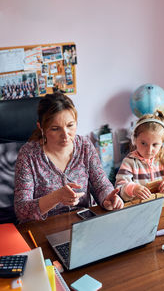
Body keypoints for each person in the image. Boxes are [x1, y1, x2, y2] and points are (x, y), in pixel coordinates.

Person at [14, 91, 124, 222]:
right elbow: (21, 210)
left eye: (70, 125)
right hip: (43, 228)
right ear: (41, 127)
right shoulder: (28, 155)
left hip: (82, 223)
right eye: (55, 128)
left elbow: (101, 184)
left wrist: (108, 198)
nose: (65, 135)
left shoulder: (84, 145)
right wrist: (56, 197)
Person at [115, 110, 164, 202]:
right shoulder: (129, 162)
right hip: (140, 209)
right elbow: (119, 189)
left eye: (155, 145)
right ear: (134, 140)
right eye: (143, 143)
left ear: (162, 143)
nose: (149, 150)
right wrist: (133, 189)